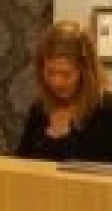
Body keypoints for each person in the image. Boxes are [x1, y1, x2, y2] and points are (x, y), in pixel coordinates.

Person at [16, 20, 112, 162]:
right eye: (50, 72)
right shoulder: (39, 109)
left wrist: (64, 140)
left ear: (86, 72)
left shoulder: (107, 109)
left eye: (66, 74)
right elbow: (20, 162)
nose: (57, 82)